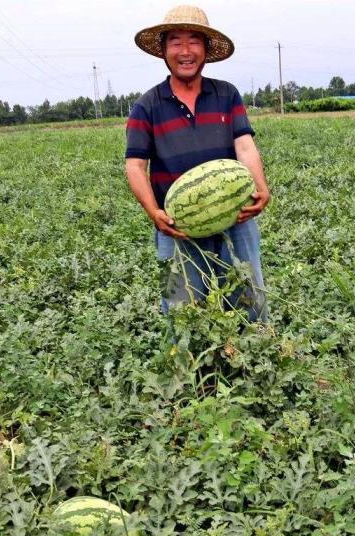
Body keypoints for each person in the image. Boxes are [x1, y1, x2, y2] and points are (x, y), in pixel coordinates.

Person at [125, 5, 270, 322]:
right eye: (175, 41)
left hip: (236, 215)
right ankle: (184, 367)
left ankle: (258, 363)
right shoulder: (146, 105)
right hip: (175, 226)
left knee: (250, 298)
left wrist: (261, 187)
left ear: (206, 49)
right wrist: (154, 213)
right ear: (163, 50)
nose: (185, 50)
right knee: (179, 308)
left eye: (194, 41)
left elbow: (244, 145)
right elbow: (135, 166)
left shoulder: (227, 94)